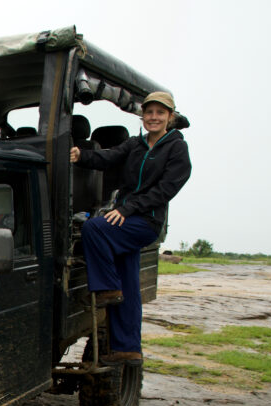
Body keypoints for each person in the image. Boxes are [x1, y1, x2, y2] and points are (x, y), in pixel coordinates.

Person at [69, 91, 192, 366]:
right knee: (130, 284)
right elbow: (109, 157)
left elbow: (166, 190)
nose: (153, 117)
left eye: (160, 113)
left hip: (145, 220)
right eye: (149, 112)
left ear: (170, 117)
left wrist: (127, 209)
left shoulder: (176, 148)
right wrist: (82, 155)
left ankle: (106, 287)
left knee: (93, 228)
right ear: (143, 116)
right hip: (126, 217)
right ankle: (128, 348)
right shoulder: (136, 144)